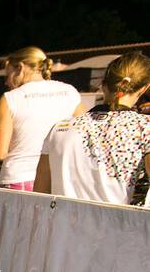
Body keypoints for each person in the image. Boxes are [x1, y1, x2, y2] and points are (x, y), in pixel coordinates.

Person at [36, 52, 150, 205]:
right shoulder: (144, 128)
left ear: (103, 85)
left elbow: (39, 195)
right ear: (144, 88)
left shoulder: (59, 128)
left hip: (61, 225)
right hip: (113, 225)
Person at [0, 46, 84, 190]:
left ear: (20, 68)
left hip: (20, 177)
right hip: (59, 178)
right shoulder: (69, 91)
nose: (6, 82)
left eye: (7, 75)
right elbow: (83, 135)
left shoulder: (10, 98)